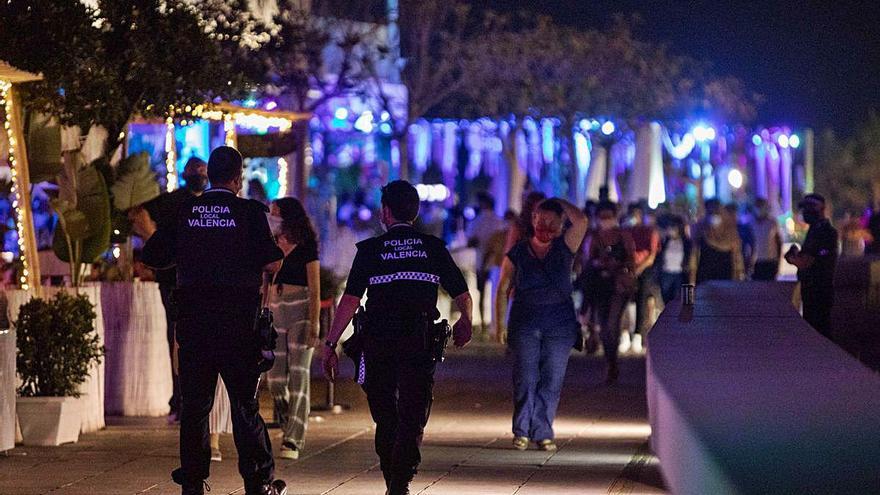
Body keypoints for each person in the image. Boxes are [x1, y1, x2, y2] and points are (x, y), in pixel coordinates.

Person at [141, 146, 287, 495]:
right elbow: (272, 262)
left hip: (194, 323)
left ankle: (192, 482)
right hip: (239, 325)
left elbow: (153, 255)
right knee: (244, 405)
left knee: (195, 407)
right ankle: (258, 481)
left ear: (209, 176)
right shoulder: (249, 212)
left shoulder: (184, 210)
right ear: (237, 178)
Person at [321, 180, 473, 495]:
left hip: (378, 341)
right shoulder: (433, 248)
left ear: (385, 212)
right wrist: (466, 320)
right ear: (415, 214)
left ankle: (395, 477)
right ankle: (400, 478)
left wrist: (330, 343)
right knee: (414, 412)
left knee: (385, 413)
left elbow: (349, 300)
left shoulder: (371, 251)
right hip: (419, 341)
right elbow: (461, 291)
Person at [495, 198, 588, 452]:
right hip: (525, 319)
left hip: (560, 322)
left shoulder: (565, 247)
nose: (545, 225)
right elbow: (503, 286)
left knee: (552, 378)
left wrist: (558, 200)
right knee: (525, 376)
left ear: (560, 224)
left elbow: (582, 221)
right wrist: (499, 324)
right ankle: (522, 430)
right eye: (540, 219)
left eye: (551, 221)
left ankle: (543, 431)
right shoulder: (518, 251)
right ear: (533, 219)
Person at [134, 156, 209, 424]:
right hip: (175, 281)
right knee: (178, 339)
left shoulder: (209, 202)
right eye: (195, 171)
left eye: (202, 171)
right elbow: (139, 213)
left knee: (187, 340)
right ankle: (180, 399)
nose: (199, 175)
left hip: (196, 281)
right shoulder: (173, 201)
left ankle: (189, 399)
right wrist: (155, 242)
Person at [265, 197, 321, 460]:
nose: (272, 216)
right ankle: (291, 425)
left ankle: (293, 439)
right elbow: (265, 279)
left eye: (276, 213)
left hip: (301, 309)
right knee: (274, 379)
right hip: (277, 308)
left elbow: (315, 286)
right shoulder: (272, 244)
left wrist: (315, 322)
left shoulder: (307, 245)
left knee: (299, 375)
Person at [585, 201, 636, 383]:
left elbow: (632, 260)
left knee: (612, 323)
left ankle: (612, 362)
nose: (605, 220)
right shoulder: (594, 237)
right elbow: (588, 261)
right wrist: (599, 263)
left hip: (618, 285)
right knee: (603, 324)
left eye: (608, 216)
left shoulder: (623, 236)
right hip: (600, 284)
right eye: (602, 217)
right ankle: (610, 360)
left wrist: (620, 266)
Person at [785, 193, 839, 339]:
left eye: (808, 208)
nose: (805, 213)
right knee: (812, 329)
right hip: (810, 288)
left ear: (820, 209)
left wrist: (793, 258)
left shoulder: (827, 232)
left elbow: (808, 261)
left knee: (820, 332)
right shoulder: (814, 230)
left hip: (820, 290)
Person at [624, 203, 660, 353]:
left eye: (637, 214)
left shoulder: (650, 232)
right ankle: (625, 334)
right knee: (625, 300)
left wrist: (638, 269)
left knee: (642, 300)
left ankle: (638, 335)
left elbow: (651, 256)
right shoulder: (625, 231)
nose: (635, 218)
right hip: (627, 269)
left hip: (644, 270)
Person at [467, 192, 505, 334]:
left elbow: (471, 241)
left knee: (482, 293)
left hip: (482, 261)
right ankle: (496, 324)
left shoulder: (477, 221)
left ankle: (483, 324)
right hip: (497, 262)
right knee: (497, 292)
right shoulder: (498, 221)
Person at [692, 199, 744, 283]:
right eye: (711, 212)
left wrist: (740, 274)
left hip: (726, 276)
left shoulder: (731, 232)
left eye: (716, 212)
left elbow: (737, 255)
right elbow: (694, 255)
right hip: (705, 277)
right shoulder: (701, 230)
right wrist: (692, 278)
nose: (714, 215)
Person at [657, 215, 692, 304]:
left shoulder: (685, 242)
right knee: (666, 300)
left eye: (673, 227)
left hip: (679, 274)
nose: (670, 229)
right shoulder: (665, 241)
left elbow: (689, 257)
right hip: (666, 273)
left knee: (677, 301)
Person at [751, 198, 783, 280]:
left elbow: (779, 242)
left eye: (761, 206)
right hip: (756, 262)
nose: (759, 209)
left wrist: (778, 261)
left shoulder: (772, 223)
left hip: (770, 261)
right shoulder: (750, 223)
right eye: (757, 206)